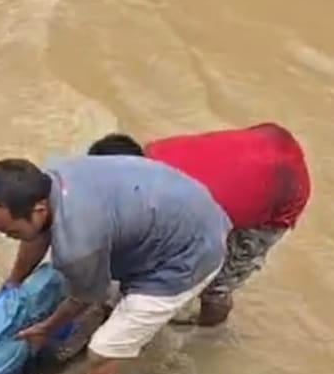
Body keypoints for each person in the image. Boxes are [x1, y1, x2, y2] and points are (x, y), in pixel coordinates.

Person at [0, 155, 230, 374]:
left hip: (186, 258)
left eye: (12, 233)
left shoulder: (78, 247)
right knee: (103, 301)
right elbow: (36, 234)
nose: (10, 238)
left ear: (39, 209)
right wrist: (12, 283)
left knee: (103, 351)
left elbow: (84, 298)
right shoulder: (52, 176)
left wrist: (47, 326)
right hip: (188, 209)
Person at [87, 123, 311, 326]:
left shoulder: (171, 212)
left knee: (219, 285)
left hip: (283, 189)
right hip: (258, 147)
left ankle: (208, 333)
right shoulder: (151, 154)